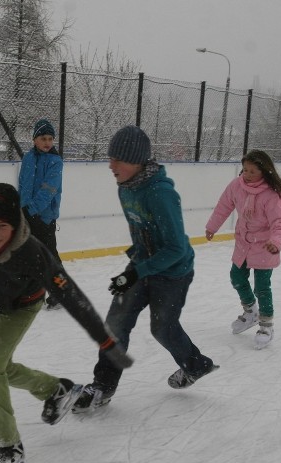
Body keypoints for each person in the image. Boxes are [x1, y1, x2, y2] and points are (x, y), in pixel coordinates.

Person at [0, 182, 132, 463]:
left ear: (15, 225)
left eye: (2, 226)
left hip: (23, 306)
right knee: (0, 370)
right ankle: (56, 390)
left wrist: (106, 340)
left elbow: (70, 295)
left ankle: (9, 449)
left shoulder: (31, 250)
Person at [73, 125, 217, 413]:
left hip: (174, 272)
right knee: (116, 322)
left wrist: (138, 271)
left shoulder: (160, 193)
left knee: (162, 328)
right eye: (110, 158)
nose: (111, 166)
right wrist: (134, 266)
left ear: (138, 162)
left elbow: (176, 247)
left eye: (118, 159)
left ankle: (195, 365)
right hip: (143, 264)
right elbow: (142, 233)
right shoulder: (126, 188)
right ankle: (103, 385)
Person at [205, 150, 281, 350]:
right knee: (236, 277)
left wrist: (275, 242)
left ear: (264, 171)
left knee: (262, 287)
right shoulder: (237, 186)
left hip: (264, 246)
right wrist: (212, 226)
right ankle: (250, 311)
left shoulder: (270, 194)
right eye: (245, 170)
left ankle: (266, 325)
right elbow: (223, 206)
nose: (248, 174)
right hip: (243, 243)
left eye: (253, 171)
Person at [18, 119, 64, 309]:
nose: (47, 142)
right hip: (27, 214)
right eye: (43, 138)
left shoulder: (55, 161)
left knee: (49, 257)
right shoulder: (28, 158)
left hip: (44, 217)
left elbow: (49, 189)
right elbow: (23, 185)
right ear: (35, 139)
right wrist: (22, 208)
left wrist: (33, 209)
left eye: (50, 139)